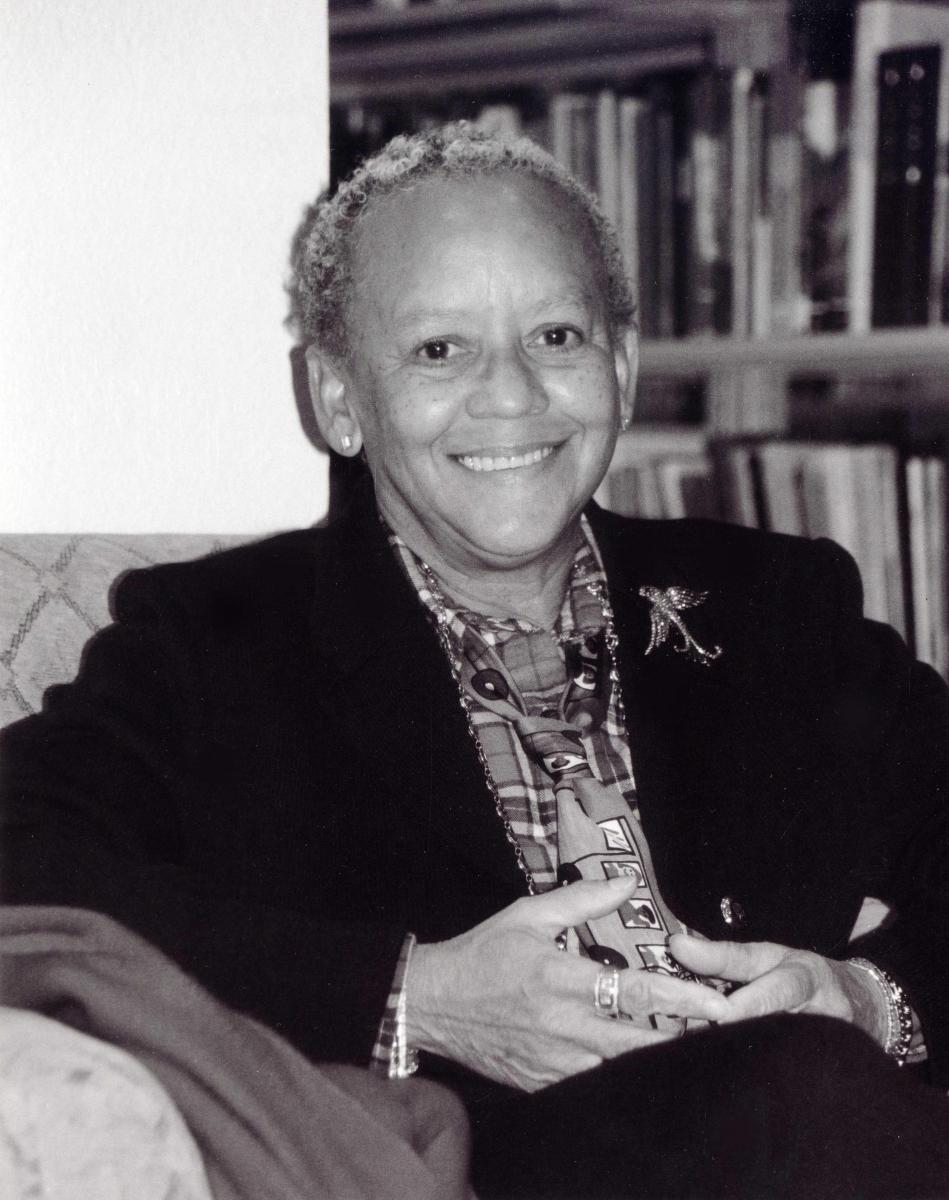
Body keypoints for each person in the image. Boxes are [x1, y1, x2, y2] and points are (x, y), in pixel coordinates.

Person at [3, 124, 949, 1198]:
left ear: (622, 370)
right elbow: (26, 863)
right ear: (339, 399)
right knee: (808, 1093)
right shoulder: (216, 644)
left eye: (556, 336)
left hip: (825, 1139)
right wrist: (413, 996)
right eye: (438, 350)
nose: (512, 397)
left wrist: (874, 1003)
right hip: (474, 1167)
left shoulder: (775, 610)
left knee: (815, 1084)